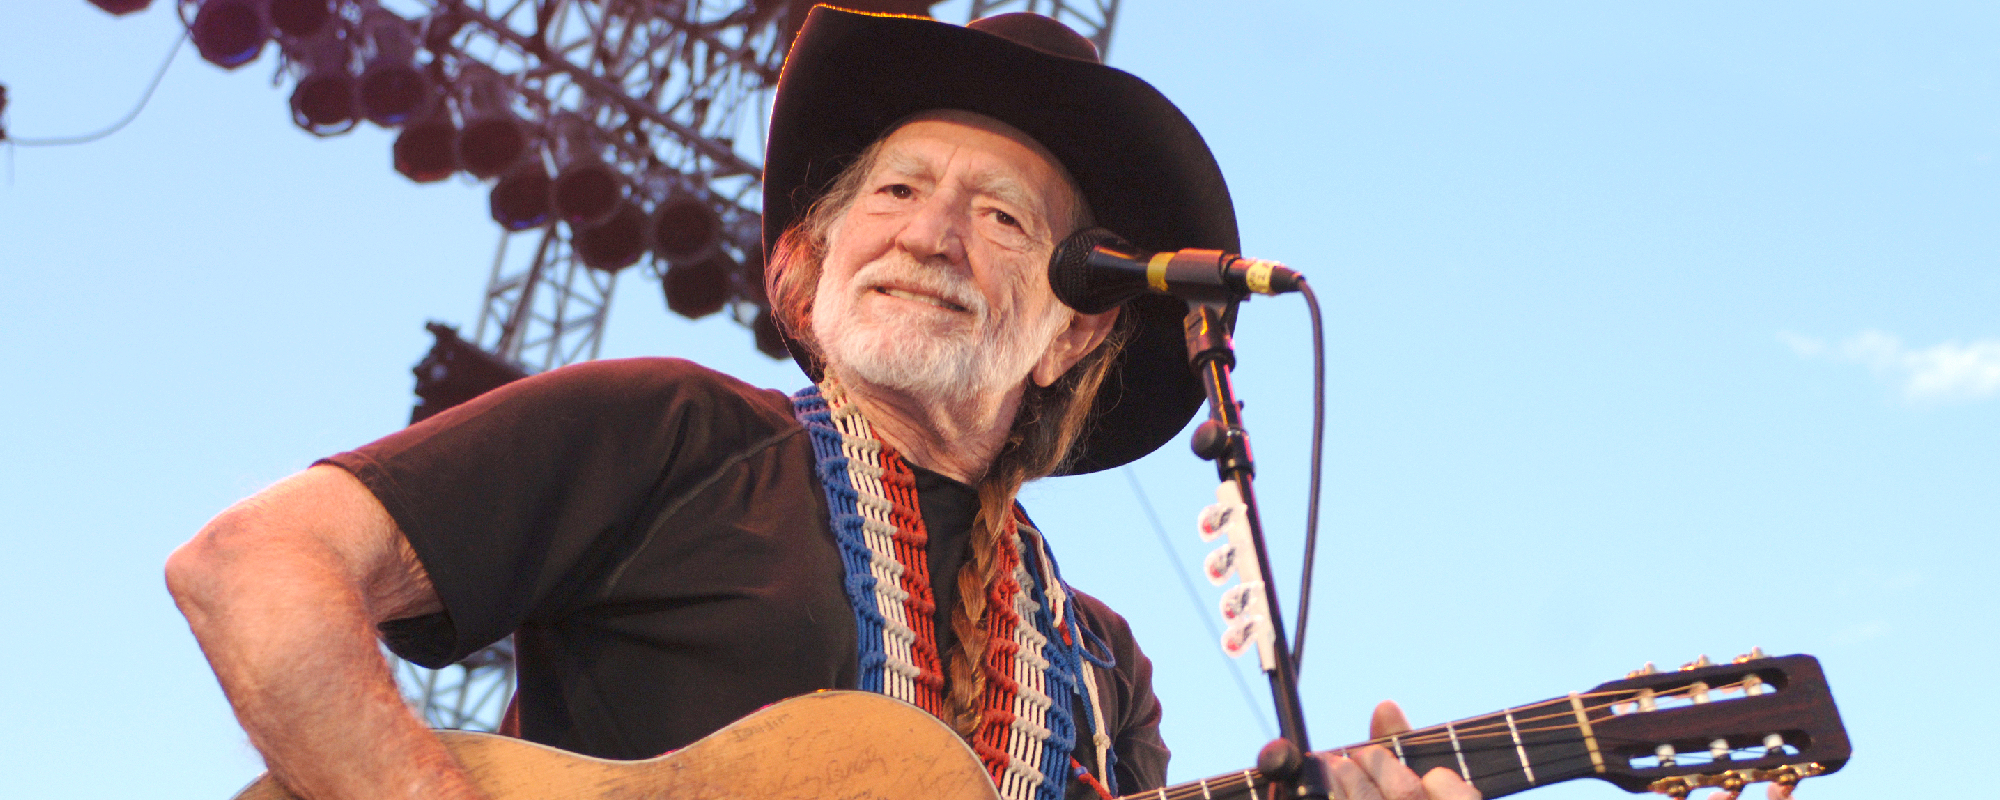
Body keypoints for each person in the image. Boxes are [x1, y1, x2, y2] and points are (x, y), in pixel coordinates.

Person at [166, 8, 1478, 800]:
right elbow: (251, 567)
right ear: (806, 265)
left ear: (1078, 328)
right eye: (896, 191)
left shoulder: (1100, 670)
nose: (933, 234)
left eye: (1003, 217)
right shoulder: (677, 434)